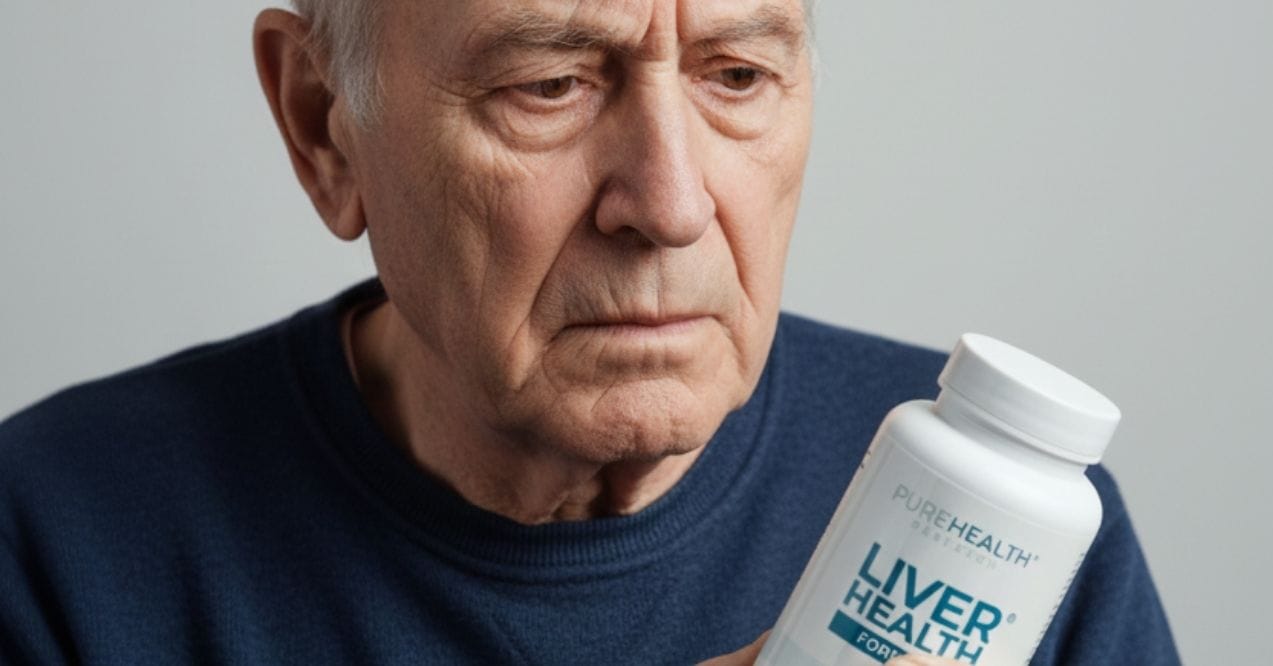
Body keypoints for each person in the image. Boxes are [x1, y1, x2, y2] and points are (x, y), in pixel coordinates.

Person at [0, 1, 1179, 664]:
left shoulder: (1000, 538)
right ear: (323, 126)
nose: (668, 203)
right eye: (550, 84)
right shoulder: (54, 537)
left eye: (736, 74)